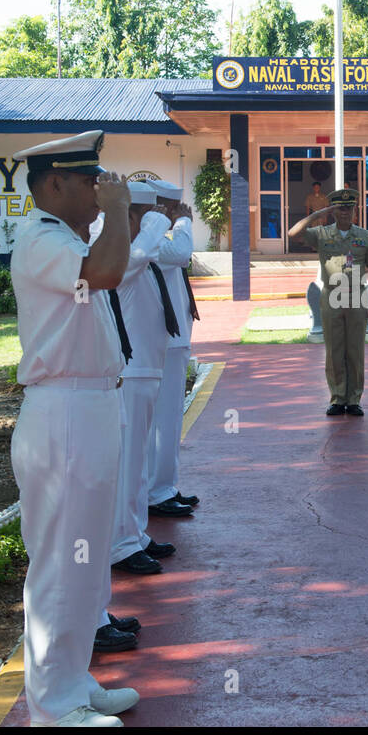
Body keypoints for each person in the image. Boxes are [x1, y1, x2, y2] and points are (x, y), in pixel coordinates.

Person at [9, 129, 140, 726]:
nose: (98, 190)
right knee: (61, 561)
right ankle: (52, 707)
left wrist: (110, 213)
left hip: (88, 409)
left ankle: (74, 682)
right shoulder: (41, 239)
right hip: (62, 412)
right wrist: (116, 212)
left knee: (84, 566)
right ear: (54, 183)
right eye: (90, 181)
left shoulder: (63, 239)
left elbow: (108, 264)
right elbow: (108, 272)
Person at [104, 182, 180, 580]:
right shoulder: (125, 257)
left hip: (147, 371)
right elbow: (129, 264)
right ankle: (120, 544)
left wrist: (150, 225)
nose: (148, 226)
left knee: (138, 465)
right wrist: (154, 225)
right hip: (131, 374)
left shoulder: (142, 256)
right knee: (129, 463)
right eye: (141, 216)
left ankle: (135, 533)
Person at [289, 187, 368, 416]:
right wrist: (317, 214)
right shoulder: (321, 234)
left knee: (355, 351)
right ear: (333, 210)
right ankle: (338, 398)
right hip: (331, 296)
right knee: (334, 350)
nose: (344, 213)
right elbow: (292, 234)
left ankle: (354, 399)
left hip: (357, 297)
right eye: (340, 208)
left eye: (348, 208)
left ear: (355, 210)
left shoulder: (365, 236)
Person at [146, 179, 202, 515]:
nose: (179, 213)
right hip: (162, 342)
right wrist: (184, 222)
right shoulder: (151, 243)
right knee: (160, 421)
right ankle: (156, 492)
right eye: (173, 207)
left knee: (169, 421)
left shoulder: (159, 240)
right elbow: (182, 254)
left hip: (176, 340)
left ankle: (165, 486)